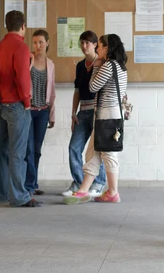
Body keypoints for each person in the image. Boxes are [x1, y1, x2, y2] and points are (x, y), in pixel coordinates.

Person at [64, 33, 128, 205]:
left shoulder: (108, 66)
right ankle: (83, 190)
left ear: (107, 48)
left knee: (108, 153)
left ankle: (113, 192)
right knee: (93, 153)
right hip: (107, 115)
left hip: (106, 115)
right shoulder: (119, 66)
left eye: (99, 46)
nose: (97, 49)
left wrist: (96, 66)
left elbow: (92, 87)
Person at [0, 10, 40, 207]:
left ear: (6, 25)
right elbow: (21, 78)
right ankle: (19, 196)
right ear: (23, 26)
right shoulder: (21, 47)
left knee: (2, 151)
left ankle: (0, 193)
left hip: (1, 105)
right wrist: (27, 103)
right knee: (18, 153)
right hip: (17, 105)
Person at [61, 31, 107, 198]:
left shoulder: (102, 63)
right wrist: (73, 112)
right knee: (74, 147)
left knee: (98, 149)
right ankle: (79, 183)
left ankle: (99, 183)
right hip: (83, 112)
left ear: (95, 44)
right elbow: (77, 91)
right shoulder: (80, 66)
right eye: (82, 42)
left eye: (87, 42)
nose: (84, 46)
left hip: (98, 112)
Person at [24, 29, 56, 196]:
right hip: (28, 111)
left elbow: (52, 92)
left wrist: (52, 115)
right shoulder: (27, 59)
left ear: (47, 43)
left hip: (43, 111)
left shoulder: (50, 65)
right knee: (28, 149)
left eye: (41, 42)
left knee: (36, 149)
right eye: (35, 42)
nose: (37, 46)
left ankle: (33, 183)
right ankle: (28, 185)